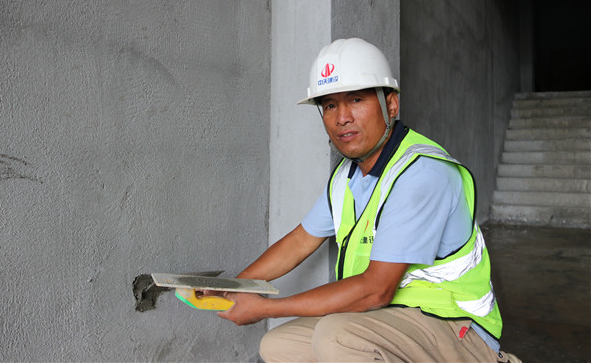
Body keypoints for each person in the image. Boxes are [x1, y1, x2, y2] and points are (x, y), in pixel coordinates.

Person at [216, 38, 518, 362]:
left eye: (356, 99)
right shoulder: (347, 177)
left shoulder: (422, 173)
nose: (342, 118)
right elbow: (300, 241)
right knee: (278, 345)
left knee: (337, 336)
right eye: (329, 105)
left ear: (391, 105)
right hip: (390, 317)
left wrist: (267, 309)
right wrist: (236, 286)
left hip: (456, 327)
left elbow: (376, 290)